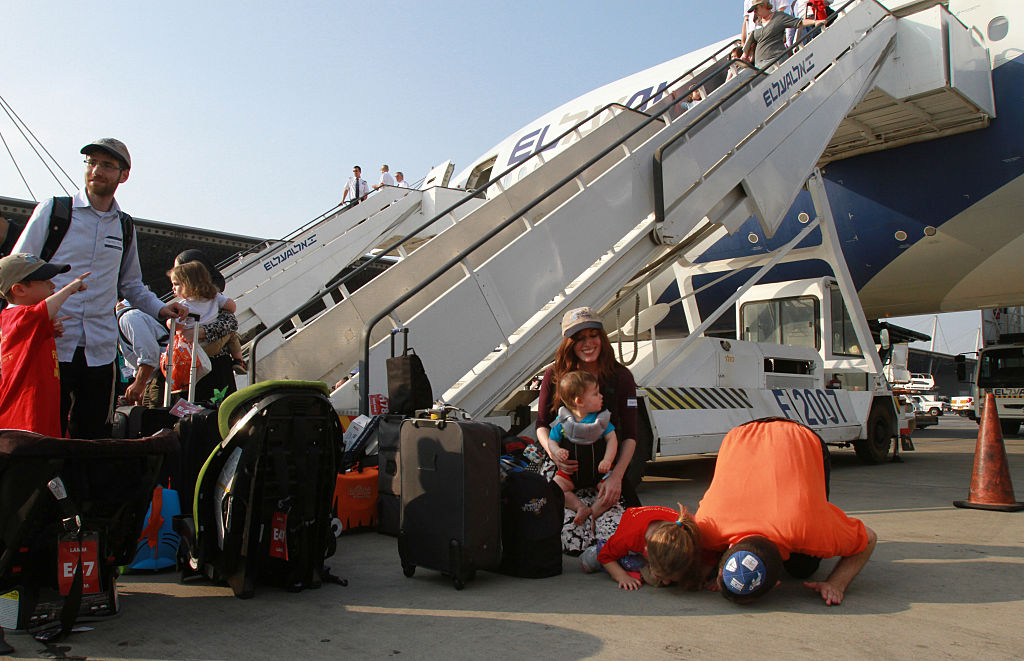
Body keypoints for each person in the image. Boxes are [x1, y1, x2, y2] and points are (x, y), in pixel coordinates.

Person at [12, 138, 187, 438]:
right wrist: (24, 325)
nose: (97, 170)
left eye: (107, 165)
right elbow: (13, 273)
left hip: (100, 351)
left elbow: (130, 284)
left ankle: (83, 486)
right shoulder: (54, 211)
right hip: (51, 345)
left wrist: (160, 308)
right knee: (41, 433)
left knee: (93, 436)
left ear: (123, 175)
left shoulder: (124, 226)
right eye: (91, 162)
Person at [693, 418, 877, 605]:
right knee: (802, 568)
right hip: (741, 436)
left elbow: (869, 538)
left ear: (777, 584)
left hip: (797, 437)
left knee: (803, 569)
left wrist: (837, 584)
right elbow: (868, 538)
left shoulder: (811, 530)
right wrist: (698, 571)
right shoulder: (707, 529)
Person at [536, 306, 640, 554]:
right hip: (566, 472)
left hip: (604, 471)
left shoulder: (621, 377)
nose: (588, 343)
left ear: (602, 338)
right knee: (570, 542)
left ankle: (599, 514)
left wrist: (616, 477)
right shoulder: (554, 376)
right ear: (568, 343)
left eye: (593, 335)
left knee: (620, 535)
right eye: (580, 338)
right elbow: (541, 425)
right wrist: (553, 451)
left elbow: (630, 435)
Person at [0, 253, 89, 436]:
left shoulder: (24, 321)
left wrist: (49, 331)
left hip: (41, 417)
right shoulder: (18, 317)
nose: (53, 285)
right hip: (24, 421)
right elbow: (40, 313)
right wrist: (70, 288)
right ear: (19, 290)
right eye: (45, 281)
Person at [544, 370, 619, 526]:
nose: (601, 396)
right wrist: (557, 452)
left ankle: (595, 512)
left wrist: (607, 459)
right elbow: (552, 441)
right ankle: (580, 507)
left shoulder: (600, 420)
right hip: (571, 474)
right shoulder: (562, 421)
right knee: (555, 489)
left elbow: (612, 439)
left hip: (599, 472)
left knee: (610, 492)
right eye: (595, 394)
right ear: (579, 401)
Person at [580, 504, 702, 591]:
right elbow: (605, 556)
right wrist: (621, 576)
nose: (666, 583)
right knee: (601, 557)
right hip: (623, 526)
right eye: (662, 577)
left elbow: (708, 558)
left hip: (648, 523)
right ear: (646, 552)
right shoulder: (629, 537)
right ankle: (595, 550)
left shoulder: (687, 533)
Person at [171, 250, 240, 403]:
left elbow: (230, 323)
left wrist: (198, 332)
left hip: (210, 363)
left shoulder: (213, 299)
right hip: (199, 362)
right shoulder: (210, 300)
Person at [167, 260, 246, 375]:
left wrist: (170, 321)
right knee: (232, 334)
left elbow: (177, 327)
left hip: (195, 349)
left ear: (189, 283)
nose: (173, 288)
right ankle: (239, 360)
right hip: (213, 347)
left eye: (176, 284)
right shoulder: (214, 297)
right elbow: (232, 307)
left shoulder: (184, 306)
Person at [744, 0, 826, 69]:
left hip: (775, 61)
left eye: (756, 9)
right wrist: (744, 54)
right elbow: (752, 37)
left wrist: (815, 22)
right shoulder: (758, 22)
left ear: (764, 5)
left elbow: (798, 22)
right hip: (759, 65)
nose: (755, 12)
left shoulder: (779, 17)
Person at [117, 300, 169, 407]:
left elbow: (150, 354)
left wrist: (139, 384)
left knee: (156, 418)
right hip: (154, 376)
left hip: (165, 374)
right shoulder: (120, 323)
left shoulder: (128, 318)